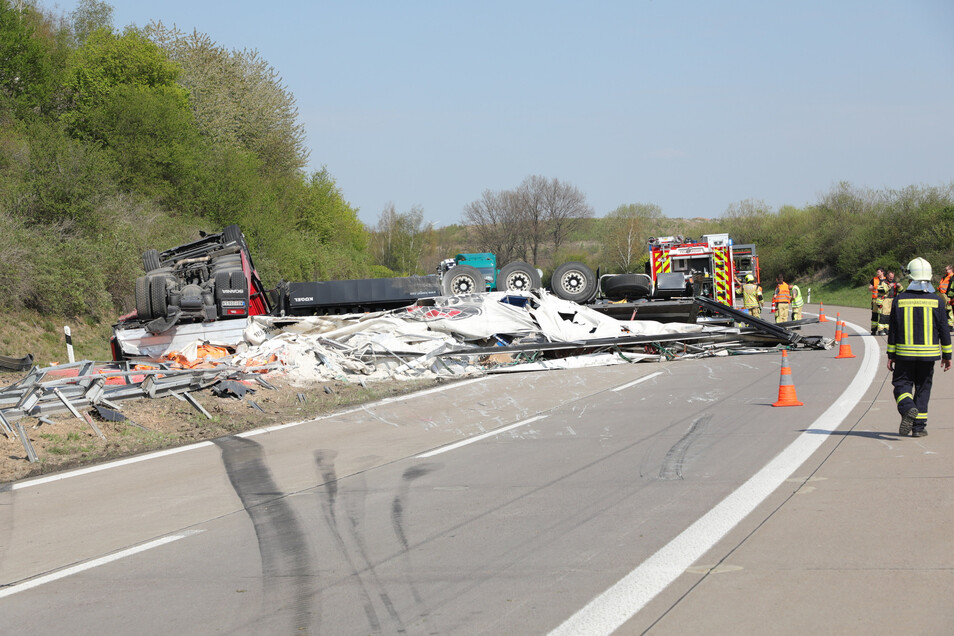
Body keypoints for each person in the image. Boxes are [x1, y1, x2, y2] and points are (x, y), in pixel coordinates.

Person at [887, 257, 952, 437]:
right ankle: (918, 428)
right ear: (929, 277)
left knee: (901, 384)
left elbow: (893, 330)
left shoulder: (899, 300)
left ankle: (907, 408)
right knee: (923, 388)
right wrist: (947, 356)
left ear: (910, 277)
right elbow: (944, 330)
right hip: (928, 356)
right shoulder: (937, 301)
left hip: (903, 355)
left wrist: (890, 354)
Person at [876, 271, 903, 335]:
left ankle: (887, 329)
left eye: (892, 277)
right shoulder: (882, 282)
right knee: (883, 315)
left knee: (890, 316)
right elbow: (881, 290)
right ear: (887, 276)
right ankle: (880, 330)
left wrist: (899, 286)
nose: (891, 278)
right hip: (885, 300)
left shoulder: (894, 283)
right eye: (890, 277)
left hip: (893, 300)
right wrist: (889, 286)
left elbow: (901, 291)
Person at [869, 267, 887, 334]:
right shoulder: (874, 279)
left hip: (884, 300)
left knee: (883, 315)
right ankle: (874, 329)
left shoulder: (886, 279)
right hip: (875, 300)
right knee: (875, 315)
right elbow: (870, 288)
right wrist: (875, 286)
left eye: (878, 272)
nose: (877, 273)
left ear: (882, 272)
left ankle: (882, 329)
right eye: (877, 272)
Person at [939, 264, 954, 331]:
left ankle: (950, 325)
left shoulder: (952, 277)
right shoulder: (945, 277)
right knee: (943, 309)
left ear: (951, 270)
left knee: (949, 309)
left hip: (948, 295)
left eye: (947, 269)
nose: (946, 270)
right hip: (942, 294)